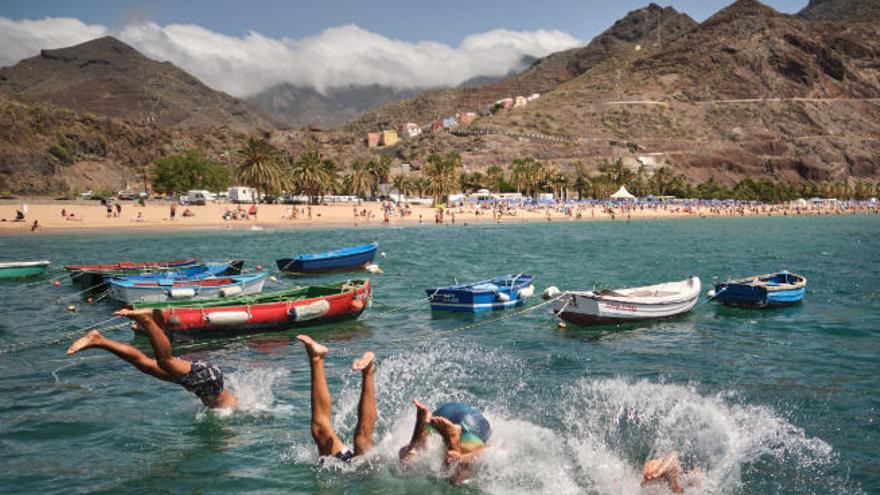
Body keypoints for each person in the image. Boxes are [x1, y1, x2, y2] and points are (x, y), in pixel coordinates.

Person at [67, 308, 237, 409]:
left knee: (145, 365)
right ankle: (146, 320)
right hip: (208, 381)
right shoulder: (232, 410)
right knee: (166, 361)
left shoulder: (231, 406)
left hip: (203, 383)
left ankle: (98, 340)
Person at [296, 335, 376, 462]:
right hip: (356, 472)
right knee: (362, 444)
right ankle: (368, 372)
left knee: (319, 429)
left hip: (344, 468)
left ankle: (316, 358)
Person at [399, 401, 490, 484]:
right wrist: (461, 458)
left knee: (406, 462)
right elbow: (489, 450)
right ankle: (452, 438)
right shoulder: (485, 429)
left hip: (442, 412)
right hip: (472, 425)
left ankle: (420, 428)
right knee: (457, 479)